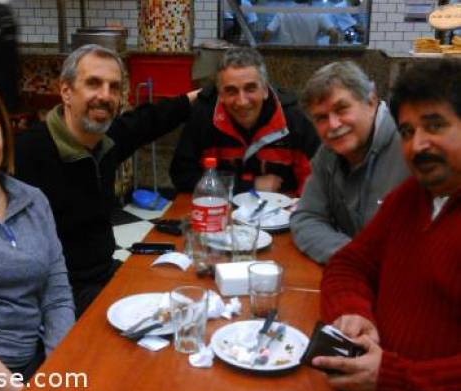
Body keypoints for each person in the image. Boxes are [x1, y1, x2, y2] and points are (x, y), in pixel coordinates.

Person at [312, 58, 461, 391]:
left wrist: (392, 378)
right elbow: (349, 264)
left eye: (434, 125)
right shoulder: (411, 197)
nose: (417, 145)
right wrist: (352, 311)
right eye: (407, 132)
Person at [14, 44, 199, 317]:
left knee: (182, 297)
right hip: (56, 293)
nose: (105, 95)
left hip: (104, 273)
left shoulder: (105, 141)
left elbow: (150, 120)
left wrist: (203, 95)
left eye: (114, 87)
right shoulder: (28, 153)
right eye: (93, 84)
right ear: (66, 91)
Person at [0, 79, 74, 391]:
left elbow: (57, 294)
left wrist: (59, 368)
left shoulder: (33, 200)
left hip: (35, 360)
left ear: (4, 137)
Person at [290, 61, 409, 264]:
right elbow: (306, 218)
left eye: (342, 109)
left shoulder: (411, 148)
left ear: (371, 102)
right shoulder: (327, 153)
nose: (333, 125)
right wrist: (356, 258)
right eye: (321, 118)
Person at [170, 47, 320, 194]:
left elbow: (317, 184)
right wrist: (249, 186)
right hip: (220, 210)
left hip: (282, 214)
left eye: (250, 89)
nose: (242, 102)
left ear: (265, 90)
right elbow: (182, 176)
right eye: (231, 91)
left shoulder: (294, 120)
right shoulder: (204, 116)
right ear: (220, 94)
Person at [262, 0, 339, 46]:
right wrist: (331, 52)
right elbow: (334, 34)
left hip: (286, 55)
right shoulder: (318, 14)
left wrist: (265, 52)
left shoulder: (283, 12)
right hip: (309, 55)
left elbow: (267, 33)